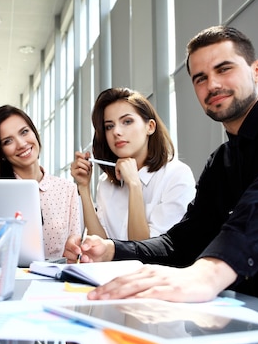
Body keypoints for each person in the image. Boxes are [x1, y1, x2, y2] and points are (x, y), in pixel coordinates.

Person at [64, 25, 258, 323]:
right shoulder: (221, 162)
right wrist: (112, 250)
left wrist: (209, 272)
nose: (212, 85)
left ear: (257, 70)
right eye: (200, 78)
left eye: (224, 69)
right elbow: (180, 244)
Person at [70, 88, 195, 241]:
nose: (116, 131)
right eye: (109, 126)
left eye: (127, 121)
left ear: (150, 127)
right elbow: (101, 248)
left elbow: (150, 252)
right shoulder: (105, 183)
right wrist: (83, 187)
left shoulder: (177, 175)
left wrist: (134, 185)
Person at [0, 105, 81, 259]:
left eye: (24, 132)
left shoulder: (67, 189)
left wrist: (74, 252)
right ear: (0, 152)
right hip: (9, 278)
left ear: (35, 132)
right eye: (8, 141)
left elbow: (75, 249)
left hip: (56, 280)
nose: (21, 144)